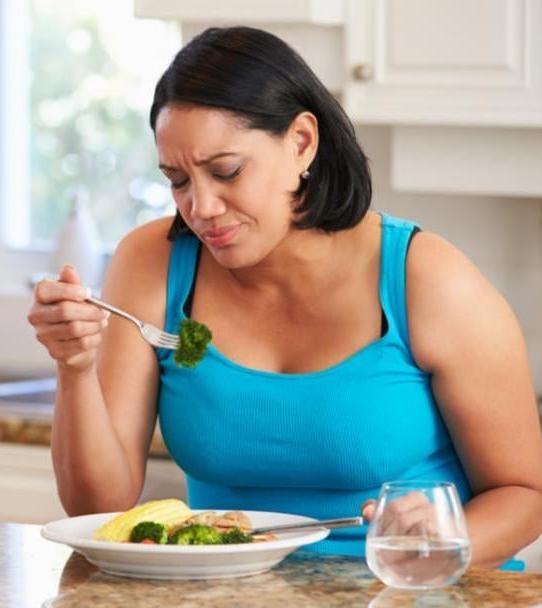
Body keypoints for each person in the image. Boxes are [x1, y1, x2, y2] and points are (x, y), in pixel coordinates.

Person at [27, 26, 542, 569]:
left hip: (411, 592)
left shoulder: (427, 279)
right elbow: (97, 508)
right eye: (177, 180)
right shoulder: (153, 263)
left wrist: (445, 540)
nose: (199, 207)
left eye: (226, 171)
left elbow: (527, 495)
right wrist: (76, 367)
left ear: (302, 142)